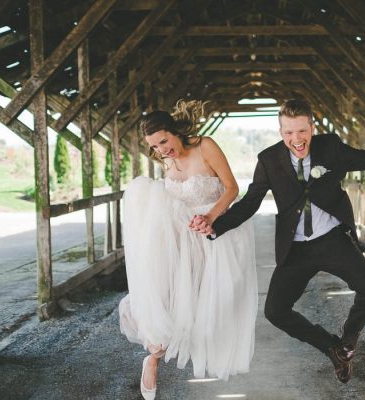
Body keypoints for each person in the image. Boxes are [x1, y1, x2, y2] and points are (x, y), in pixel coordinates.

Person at [190, 99, 365, 384]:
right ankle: (331, 347)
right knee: (275, 311)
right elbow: (249, 203)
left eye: (301, 131)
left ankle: (348, 340)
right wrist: (214, 225)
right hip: (295, 247)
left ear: (312, 126)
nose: (296, 139)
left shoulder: (331, 148)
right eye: (288, 133)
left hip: (331, 239)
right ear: (280, 131)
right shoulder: (268, 160)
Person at [118, 100, 257, 400]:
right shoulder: (166, 160)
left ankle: (172, 351)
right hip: (182, 236)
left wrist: (210, 217)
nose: (162, 150)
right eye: (155, 147)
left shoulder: (205, 146)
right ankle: (153, 358)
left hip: (215, 231)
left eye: (164, 141)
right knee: (170, 300)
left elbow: (232, 187)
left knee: (209, 307)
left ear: (175, 132)